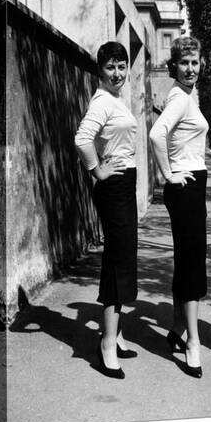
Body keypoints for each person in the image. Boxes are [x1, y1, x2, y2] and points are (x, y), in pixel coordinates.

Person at [75, 41, 138, 380]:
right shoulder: (102, 101)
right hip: (113, 186)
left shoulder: (116, 100)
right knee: (117, 261)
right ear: (100, 70)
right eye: (111, 67)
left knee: (124, 259)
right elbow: (82, 139)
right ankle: (107, 344)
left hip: (124, 183)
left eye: (122, 66)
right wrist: (97, 171)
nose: (118, 73)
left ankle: (117, 333)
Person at [149, 36, 209, 378]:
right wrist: (169, 175)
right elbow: (157, 135)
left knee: (187, 258)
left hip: (191, 184)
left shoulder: (188, 95)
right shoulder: (179, 98)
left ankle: (176, 327)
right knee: (191, 264)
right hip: (184, 186)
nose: (190, 68)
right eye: (184, 63)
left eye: (195, 62)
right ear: (175, 65)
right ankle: (193, 343)